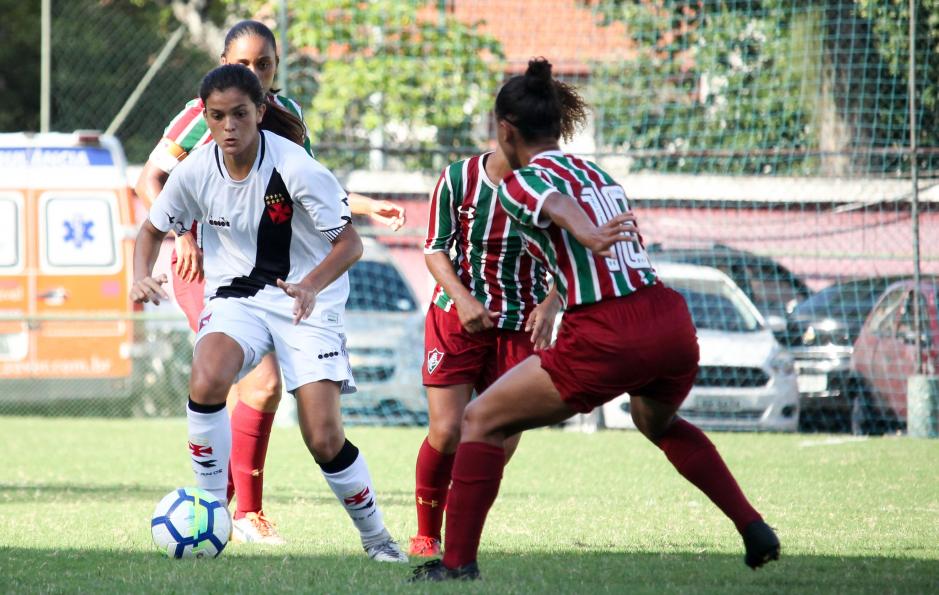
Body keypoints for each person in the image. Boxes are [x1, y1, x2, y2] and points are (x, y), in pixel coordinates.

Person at [410, 58, 780, 581]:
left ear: (505, 130)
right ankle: (753, 527)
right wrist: (580, 242)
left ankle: (456, 565)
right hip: (669, 320)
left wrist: (582, 231)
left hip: (609, 332)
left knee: (480, 421)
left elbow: (551, 201)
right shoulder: (596, 172)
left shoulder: (518, 182)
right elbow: (570, 209)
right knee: (657, 422)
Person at [135, 20, 406, 545]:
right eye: (219, 115)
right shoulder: (197, 141)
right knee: (216, 377)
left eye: (263, 65)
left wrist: (317, 274)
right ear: (207, 114)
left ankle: (377, 540)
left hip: (303, 291)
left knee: (322, 435)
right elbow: (151, 199)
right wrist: (172, 246)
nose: (229, 123)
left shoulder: (290, 146)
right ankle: (217, 510)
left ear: (262, 106)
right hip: (231, 285)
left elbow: (333, 217)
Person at [410, 144, 560, 557]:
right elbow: (435, 247)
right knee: (446, 430)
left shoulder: (554, 184)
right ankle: (426, 534)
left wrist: (551, 304)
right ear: (506, 129)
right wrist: (463, 299)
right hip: (456, 317)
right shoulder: (459, 178)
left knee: (500, 439)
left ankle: (461, 520)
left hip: (522, 324)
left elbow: (572, 259)